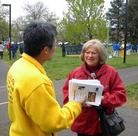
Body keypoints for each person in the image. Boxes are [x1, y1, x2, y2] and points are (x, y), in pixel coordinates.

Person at [6, 21, 86, 136]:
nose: (56, 46)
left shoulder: (17, 65)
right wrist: (76, 104)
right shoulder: (36, 81)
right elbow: (55, 122)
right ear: (46, 50)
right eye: (54, 43)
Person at [62, 39, 127, 136]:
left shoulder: (111, 72)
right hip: (83, 124)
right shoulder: (75, 73)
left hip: (103, 125)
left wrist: (103, 99)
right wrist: (76, 102)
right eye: (87, 52)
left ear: (100, 55)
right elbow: (67, 94)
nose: (90, 56)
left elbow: (121, 96)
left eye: (94, 53)